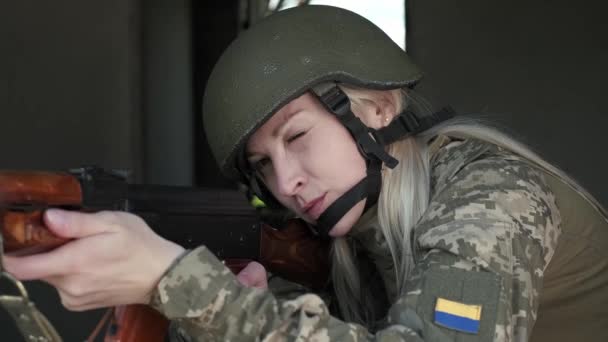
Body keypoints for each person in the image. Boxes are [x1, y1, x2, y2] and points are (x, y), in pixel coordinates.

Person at [4, 5, 608, 341]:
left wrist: (178, 284)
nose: (286, 182)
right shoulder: (337, 240)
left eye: (297, 136)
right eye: (262, 164)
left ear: (376, 108)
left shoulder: (494, 196)